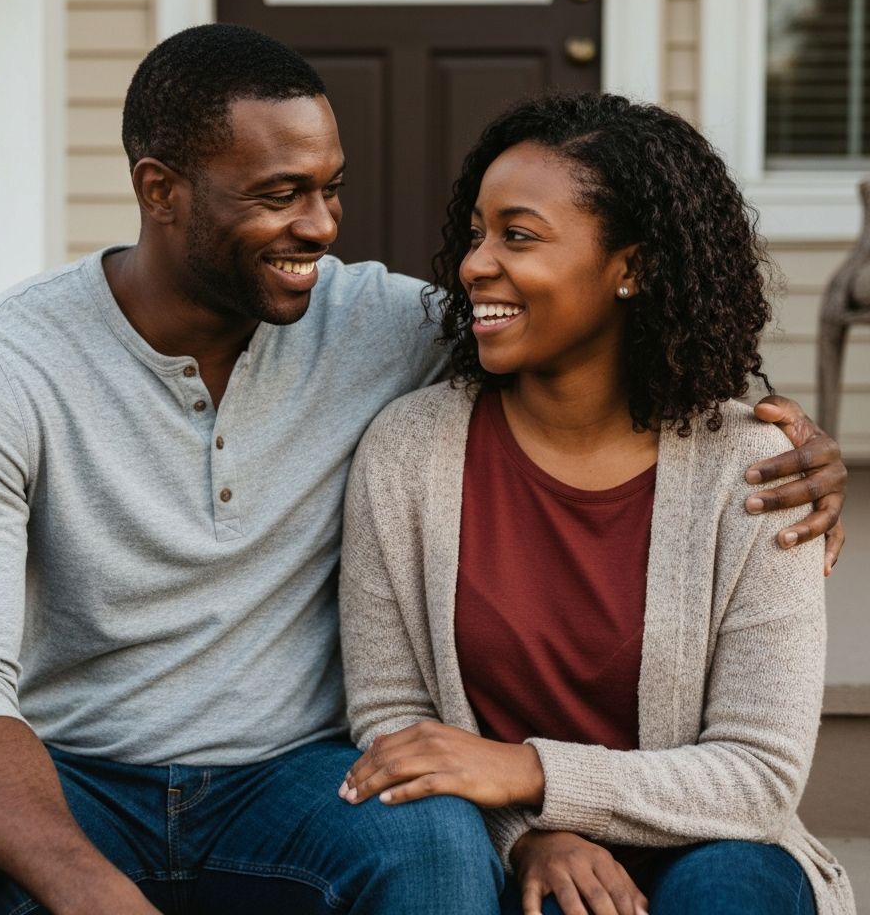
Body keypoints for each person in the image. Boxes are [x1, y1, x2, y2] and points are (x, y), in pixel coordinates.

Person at [0, 29, 846, 914]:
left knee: (435, 856)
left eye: (330, 188)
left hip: (300, 779)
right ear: (160, 190)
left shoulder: (383, 328)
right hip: (71, 771)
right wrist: (90, 893)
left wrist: (778, 436)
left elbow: (584, 339)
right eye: (281, 195)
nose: (322, 228)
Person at [338, 94, 856, 915]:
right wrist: (532, 827)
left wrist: (533, 772)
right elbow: (392, 714)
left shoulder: (754, 471)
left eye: (519, 235)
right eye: (476, 233)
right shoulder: (410, 449)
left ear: (633, 267)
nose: (474, 263)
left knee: (731, 891)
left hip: (710, 847)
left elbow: (759, 777)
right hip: (494, 844)